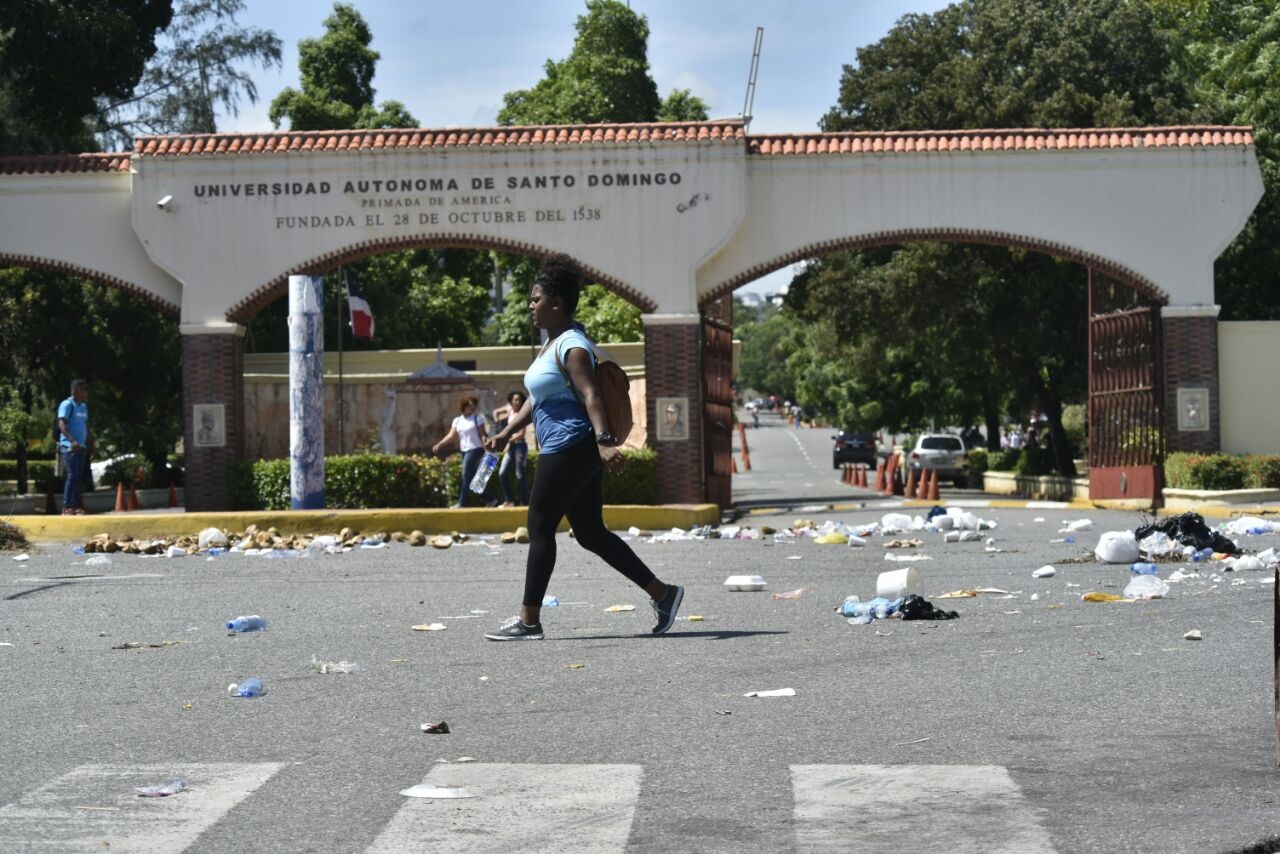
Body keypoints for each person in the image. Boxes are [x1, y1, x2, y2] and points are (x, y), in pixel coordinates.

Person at [482, 253, 683, 641]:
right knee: (590, 532)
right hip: (570, 446)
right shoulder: (551, 344)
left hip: (571, 446)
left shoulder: (573, 346)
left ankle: (529, 621)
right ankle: (664, 594)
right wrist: (508, 431)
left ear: (557, 303)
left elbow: (591, 395)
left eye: (536, 299)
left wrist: (604, 442)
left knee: (540, 527)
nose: (531, 306)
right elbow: (537, 399)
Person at [432, 394, 490, 508]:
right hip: (464, 451)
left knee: (465, 476)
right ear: (463, 406)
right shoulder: (457, 420)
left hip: (476, 449)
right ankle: (491, 499)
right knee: (476, 477)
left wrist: (487, 449)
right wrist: (440, 444)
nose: (472, 408)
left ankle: (462, 503)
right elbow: (451, 435)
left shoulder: (477, 418)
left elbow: (483, 435)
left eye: (474, 406)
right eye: (470, 406)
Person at [56, 379, 94, 515]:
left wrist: (91, 445)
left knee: (78, 476)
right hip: (69, 446)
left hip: (81, 446)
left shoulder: (83, 406)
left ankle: (75, 506)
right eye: (85, 389)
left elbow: (86, 426)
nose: (87, 392)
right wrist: (72, 441)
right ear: (77, 390)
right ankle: (67, 506)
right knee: (72, 475)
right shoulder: (67, 404)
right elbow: (61, 425)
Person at [492, 389, 530, 506]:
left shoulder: (523, 413)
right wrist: (497, 423)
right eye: (515, 400)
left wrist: (506, 438)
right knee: (502, 473)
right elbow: (496, 412)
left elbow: (521, 434)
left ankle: (526, 502)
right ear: (511, 401)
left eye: (519, 400)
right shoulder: (509, 410)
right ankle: (509, 501)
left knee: (520, 475)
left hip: (520, 446)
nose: (517, 402)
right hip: (511, 447)